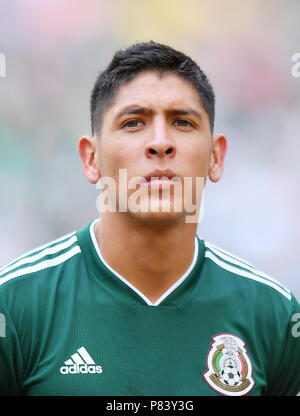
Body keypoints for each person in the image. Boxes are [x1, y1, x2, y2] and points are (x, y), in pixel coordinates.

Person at [0, 41, 299, 397]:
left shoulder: (275, 315)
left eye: (183, 122)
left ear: (215, 157)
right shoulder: (15, 306)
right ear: (91, 158)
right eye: (133, 122)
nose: (160, 143)